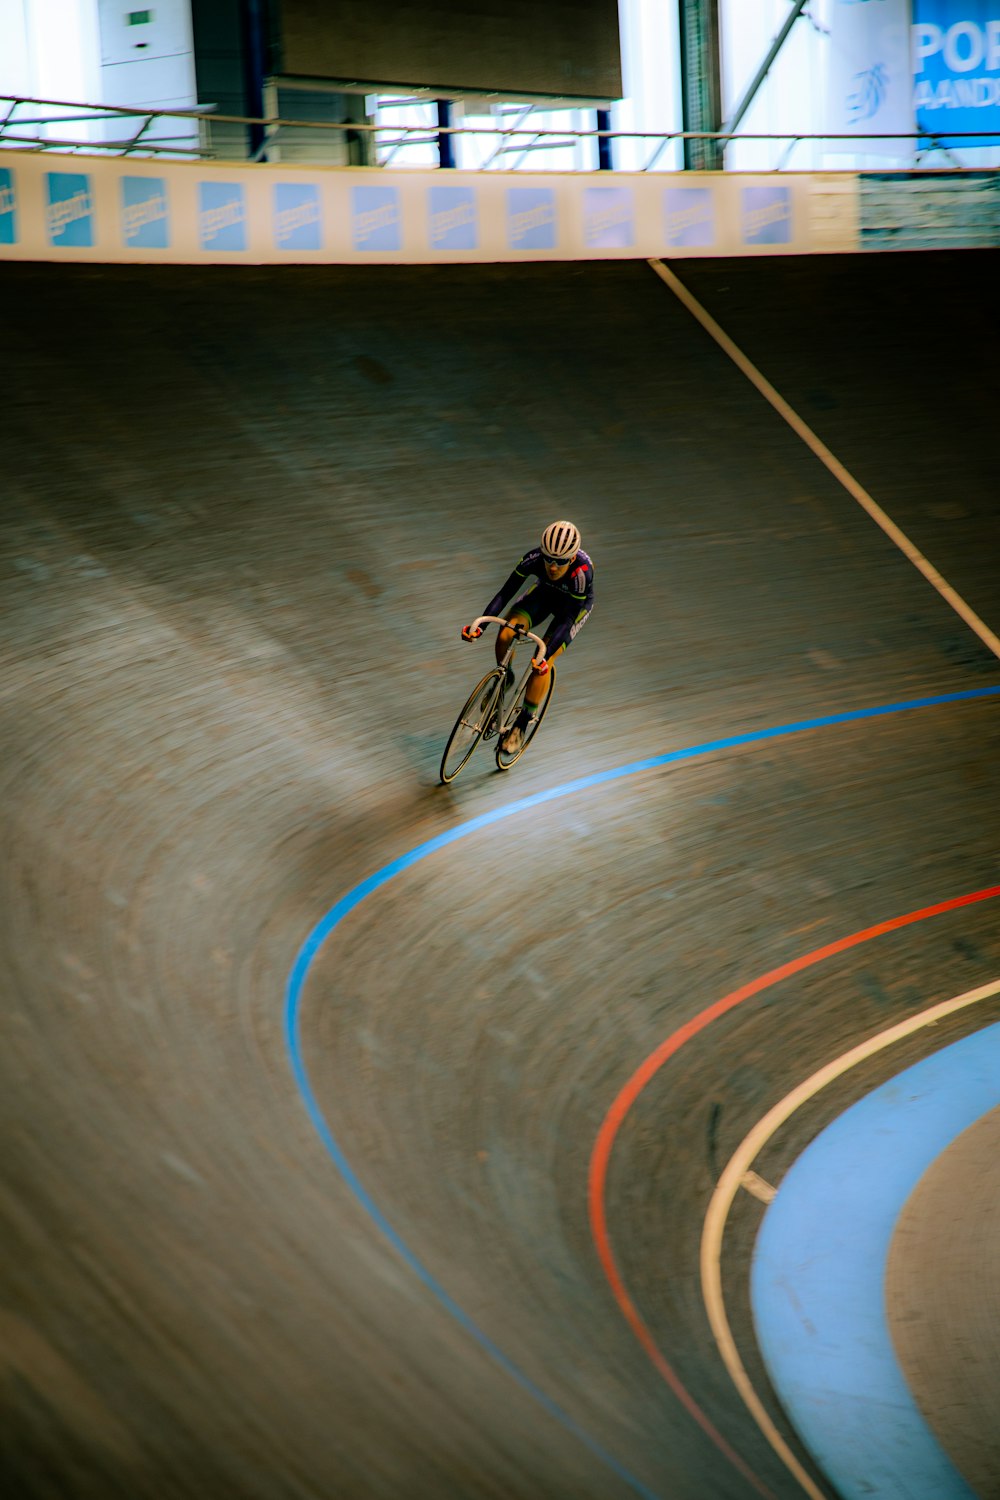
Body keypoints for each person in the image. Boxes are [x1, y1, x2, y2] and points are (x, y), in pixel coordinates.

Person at [462, 520, 594, 754]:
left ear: (572, 559)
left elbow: (567, 620)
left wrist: (546, 655)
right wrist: (480, 627)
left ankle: (522, 723)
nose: (553, 567)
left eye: (561, 561)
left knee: (542, 662)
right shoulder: (532, 559)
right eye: (548, 559)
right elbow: (505, 593)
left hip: (571, 609)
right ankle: (505, 677)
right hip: (543, 595)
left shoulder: (581, 574)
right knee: (505, 633)